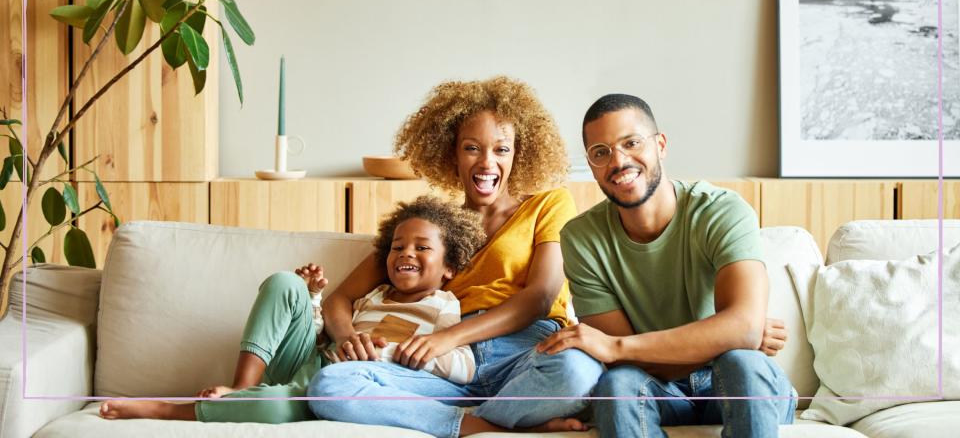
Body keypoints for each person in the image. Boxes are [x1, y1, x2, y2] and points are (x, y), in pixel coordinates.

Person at [308, 76, 604, 437]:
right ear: (452, 153)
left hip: (527, 352)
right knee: (330, 385)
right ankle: (484, 423)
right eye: (472, 148)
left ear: (519, 153)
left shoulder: (549, 204)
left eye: (501, 149)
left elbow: (541, 297)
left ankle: (472, 416)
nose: (487, 162)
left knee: (577, 371)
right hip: (446, 368)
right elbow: (339, 298)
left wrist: (449, 338)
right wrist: (346, 337)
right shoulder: (430, 229)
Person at [537, 93, 796, 438]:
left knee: (742, 362)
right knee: (618, 384)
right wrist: (728, 334)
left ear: (660, 145)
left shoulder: (721, 211)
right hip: (660, 389)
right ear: (592, 165)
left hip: (735, 380)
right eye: (601, 153)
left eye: (631, 143)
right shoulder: (581, 238)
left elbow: (742, 331)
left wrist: (740, 334)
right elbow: (629, 360)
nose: (619, 161)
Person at [99, 195, 486, 423]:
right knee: (285, 283)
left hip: (332, 387)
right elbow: (320, 335)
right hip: (312, 360)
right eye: (398, 246)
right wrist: (313, 298)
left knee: (274, 407)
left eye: (422, 247)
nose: (406, 253)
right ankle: (242, 386)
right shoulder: (374, 294)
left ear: (449, 266)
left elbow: (462, 366)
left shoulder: (441, 307)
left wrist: (401, 353)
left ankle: (172, 411)